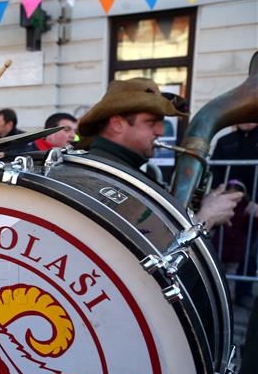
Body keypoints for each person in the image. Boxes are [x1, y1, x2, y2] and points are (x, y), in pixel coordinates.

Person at [77, 77, 242, 230]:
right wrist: (207, 217)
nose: (161, 131)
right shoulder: (101, 174)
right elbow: (144, 249)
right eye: (152, 122)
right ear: (117, 124)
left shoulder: (117, 168)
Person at [211, 123, 258, 307]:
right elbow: (216, 172)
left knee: (250, 251)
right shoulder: (225, 141)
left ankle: (244, 292)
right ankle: (219, 291)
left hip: (253, 207)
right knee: (221, 247)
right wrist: (220, 194)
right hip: (228, 204)